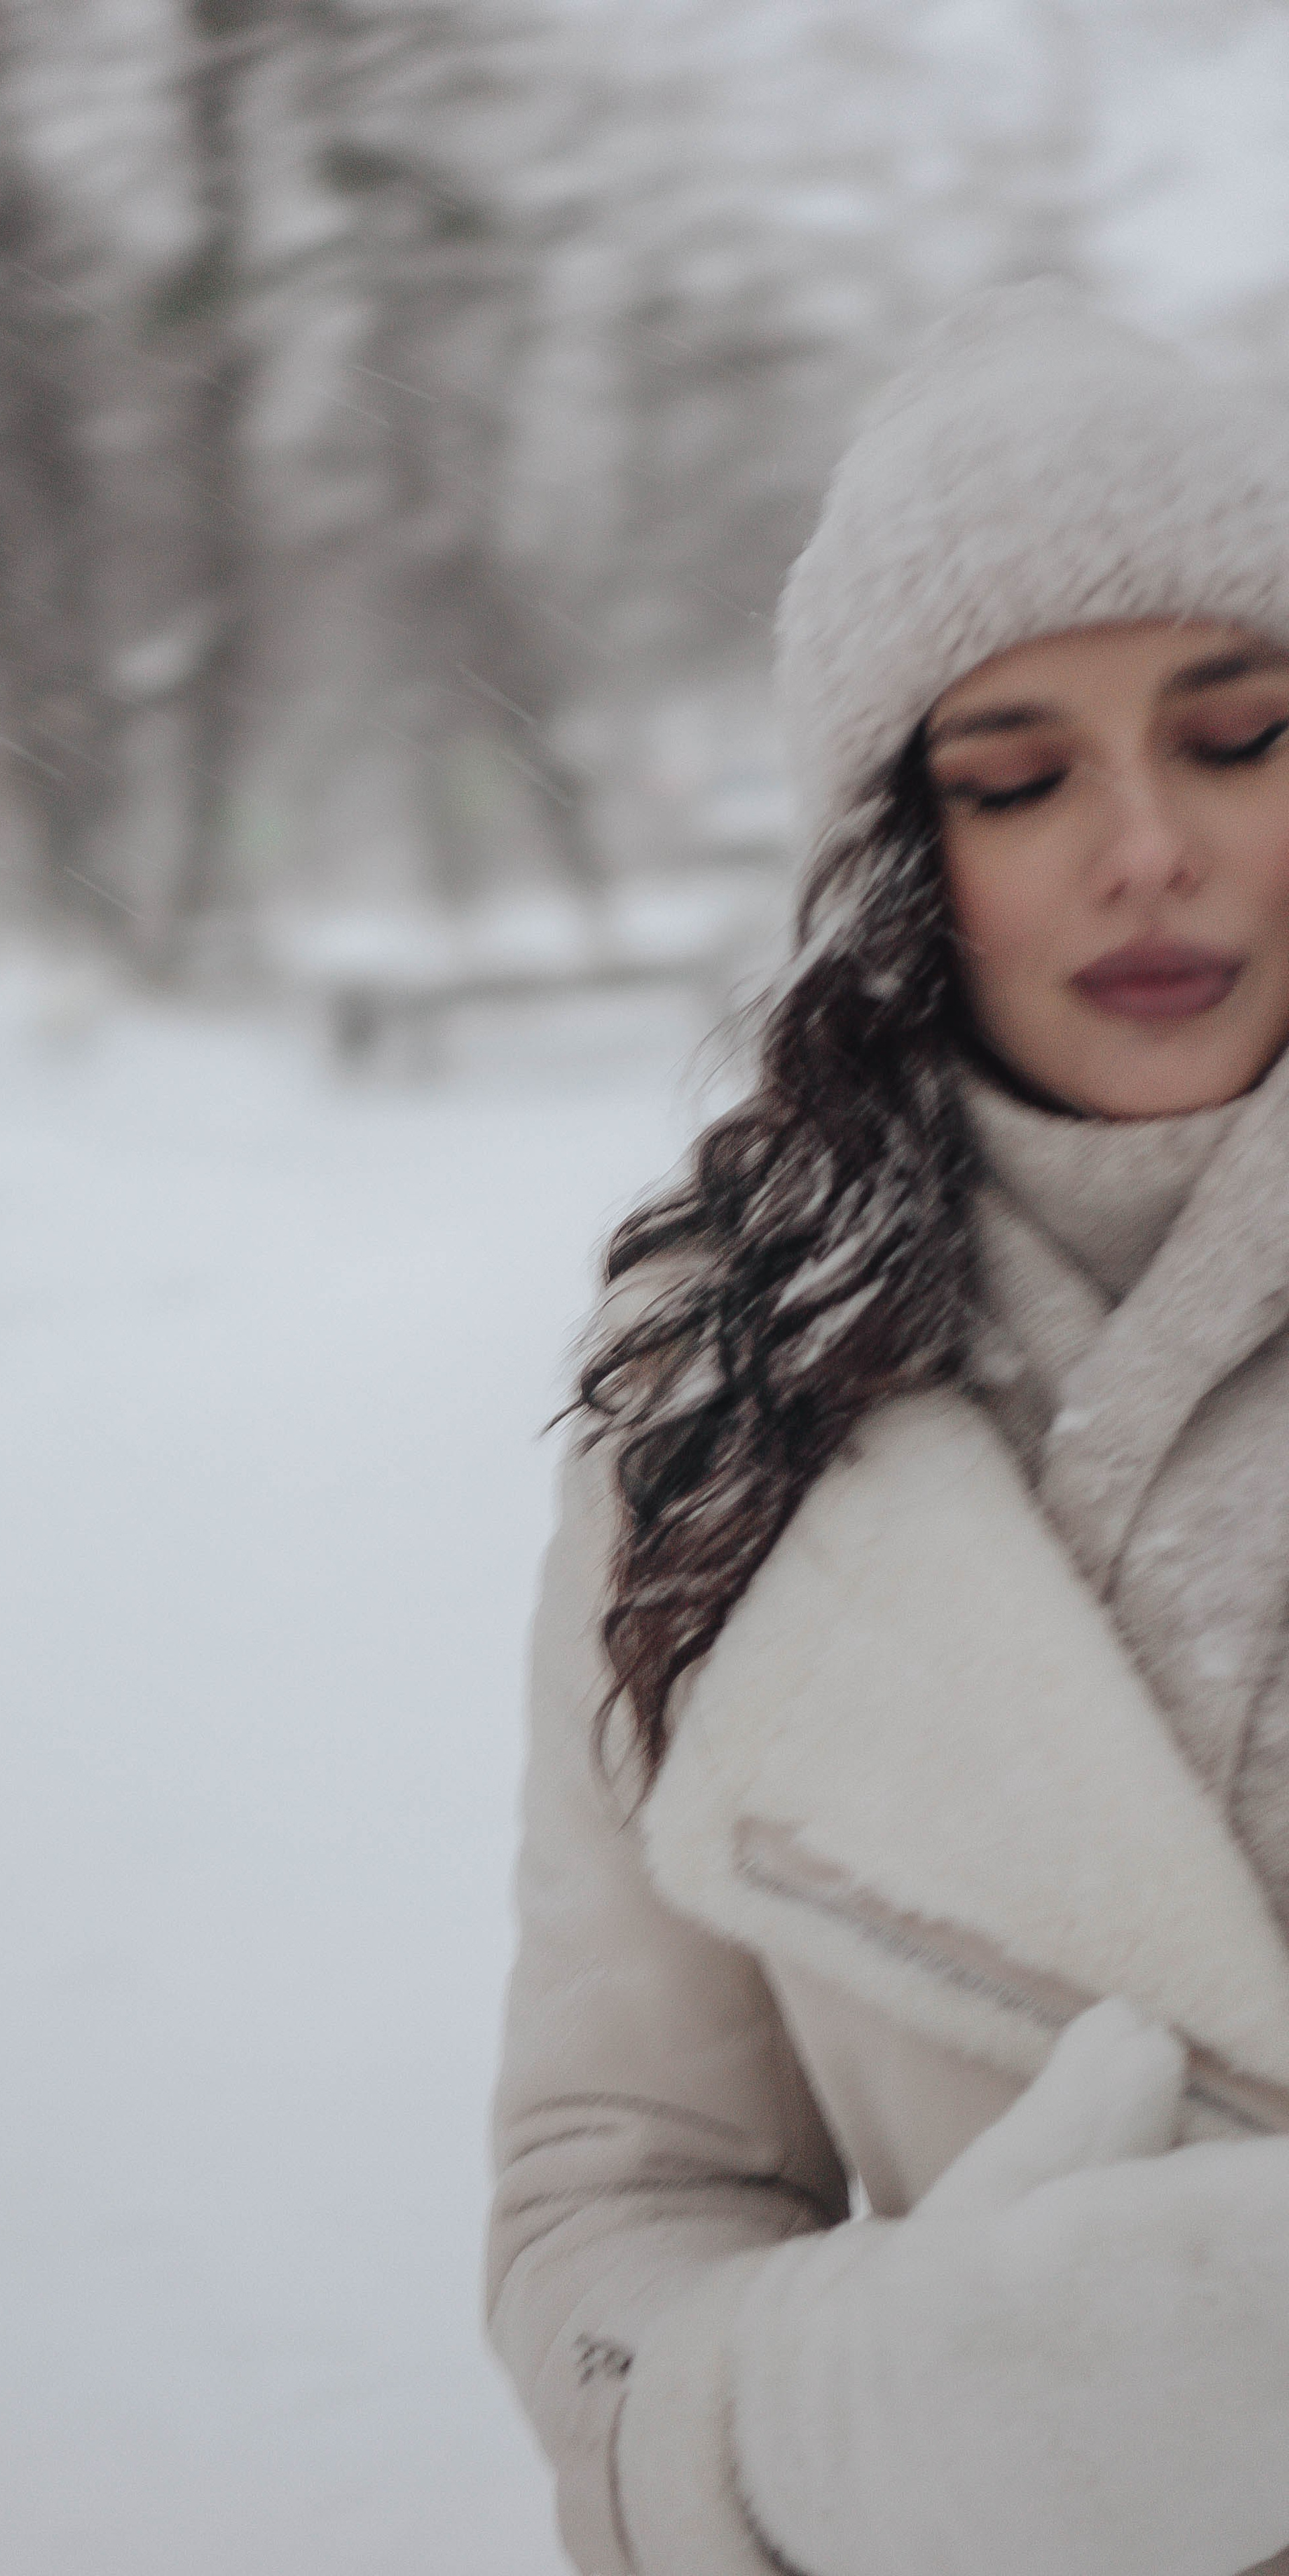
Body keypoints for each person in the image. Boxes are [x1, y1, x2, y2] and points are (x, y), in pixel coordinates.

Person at [486, 281, 1289, 2576]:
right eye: (1020, 776)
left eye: (1233, 736)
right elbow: (613, 2199)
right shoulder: (716, 1408)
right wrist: (863, 2421)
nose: (1142, 848)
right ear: (902, 855)